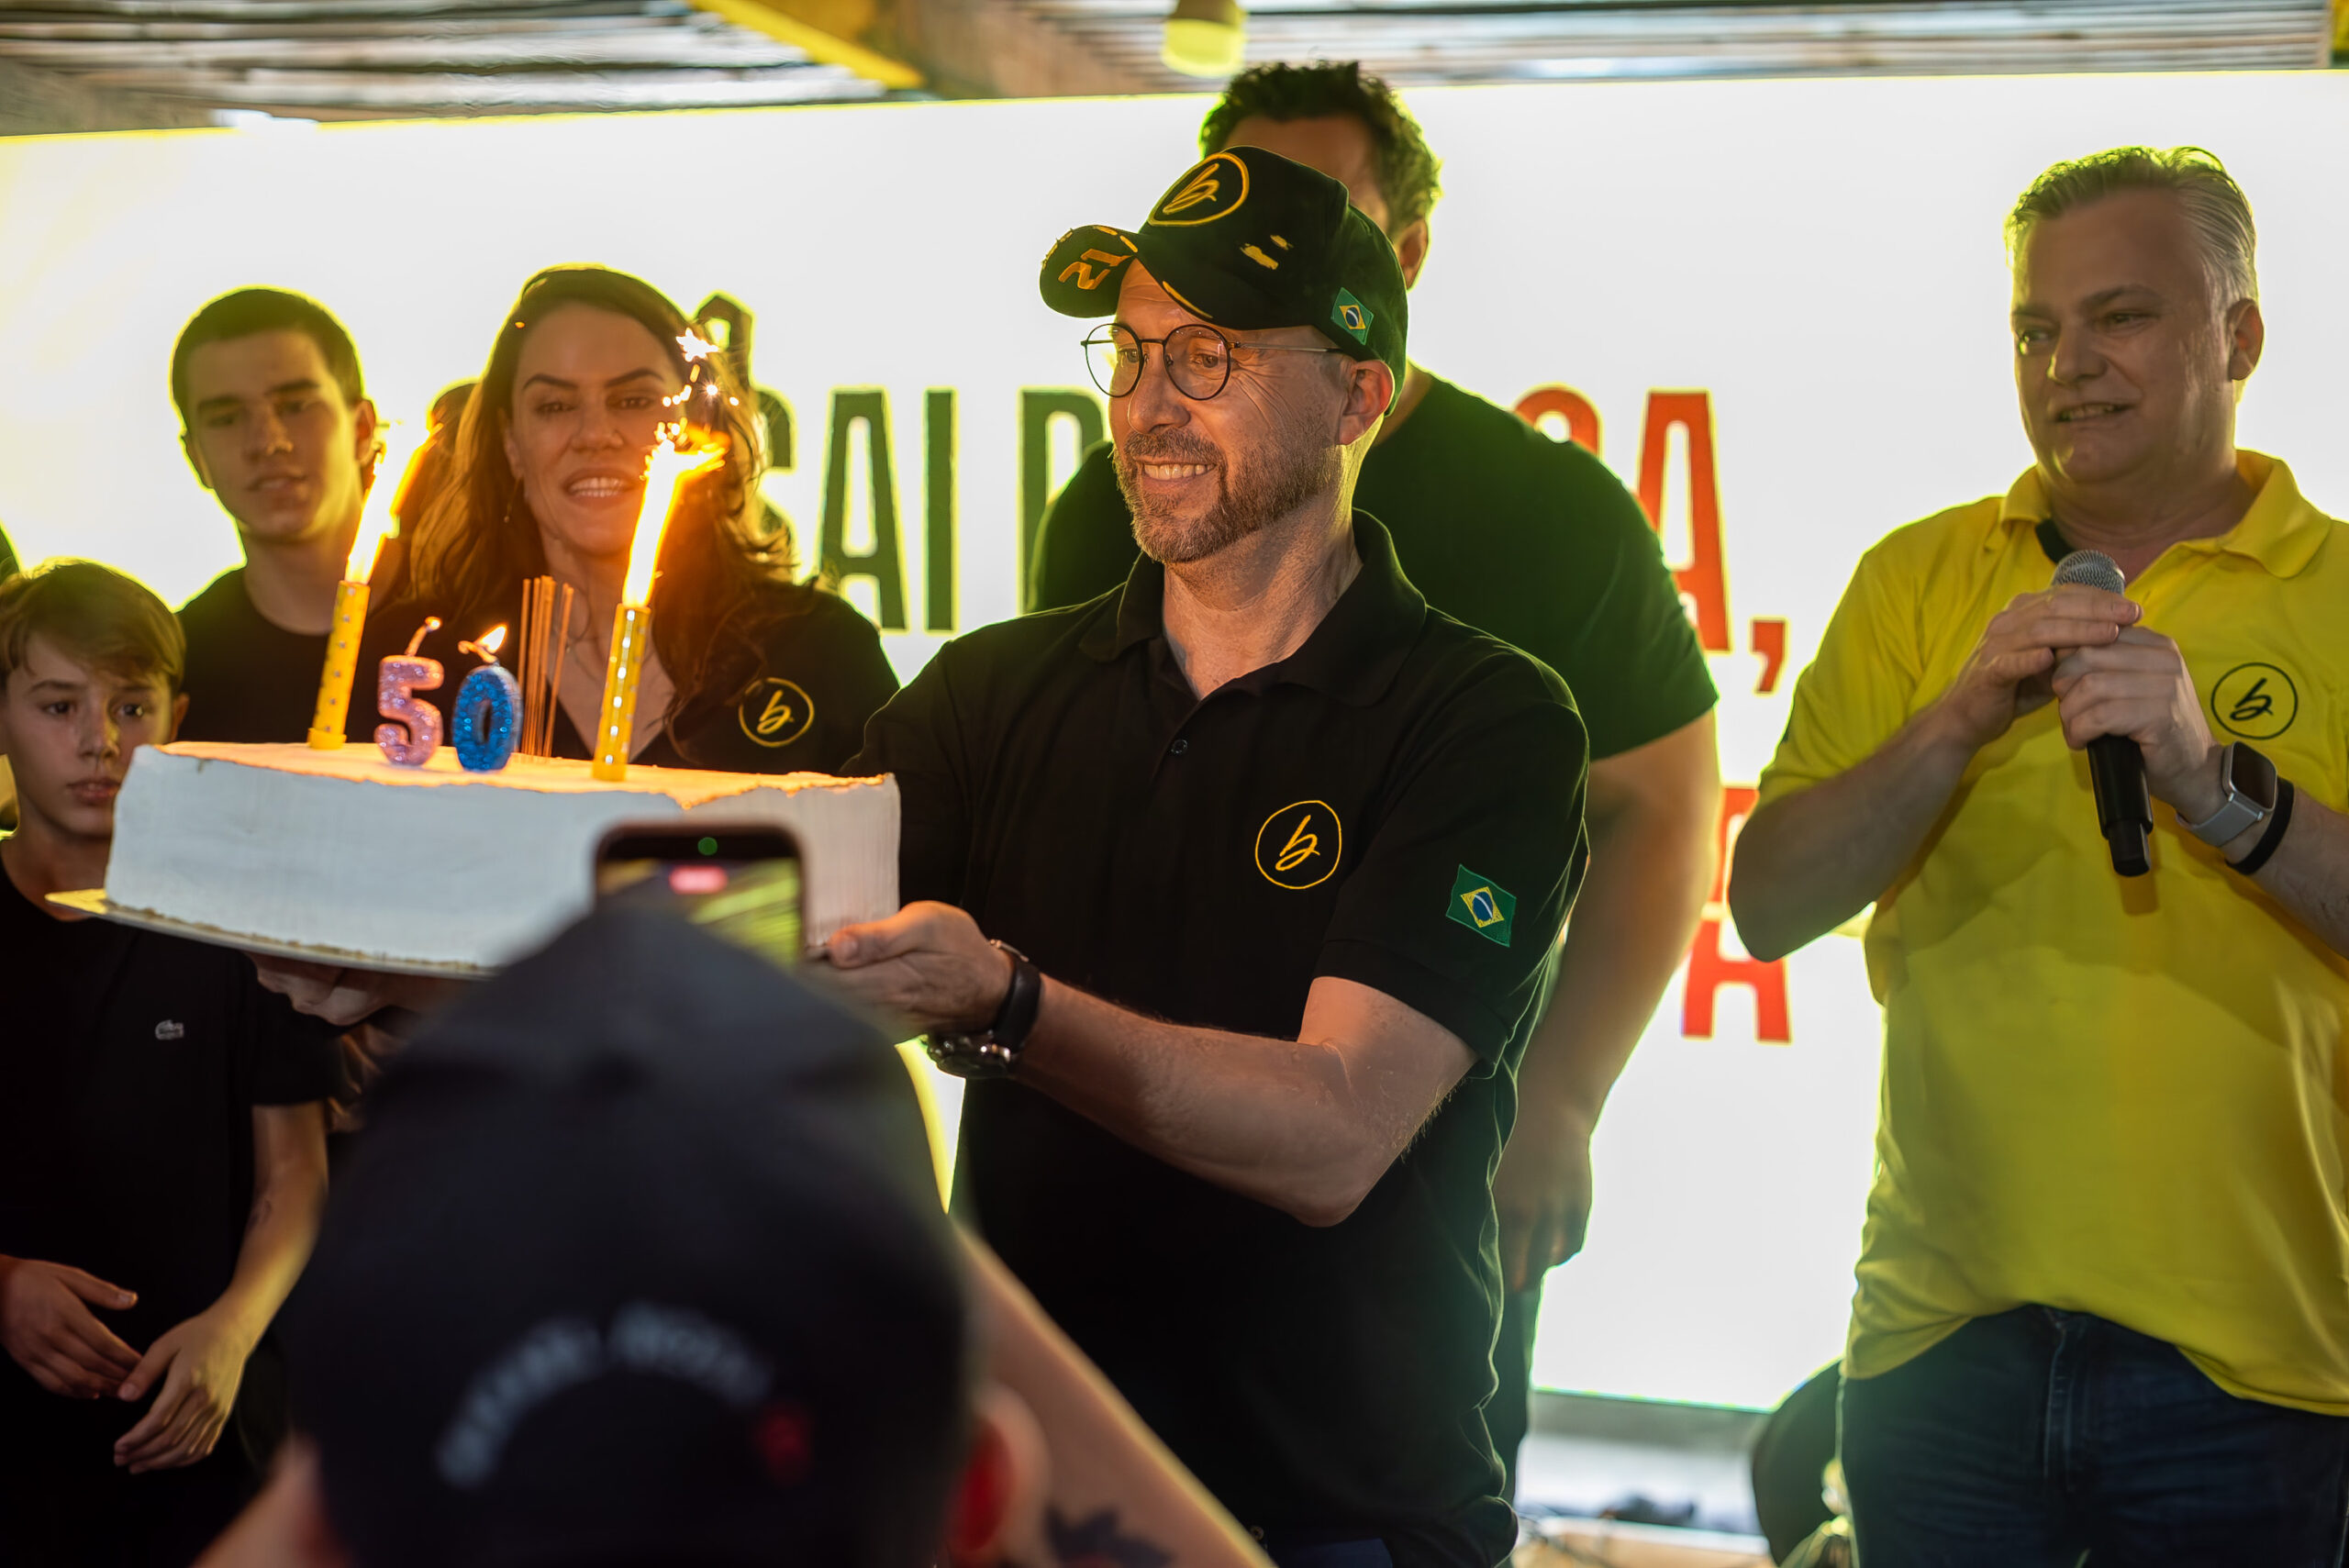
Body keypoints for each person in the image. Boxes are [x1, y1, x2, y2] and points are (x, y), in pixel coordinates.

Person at [825, 147, 1588, 1568]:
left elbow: (1336, 1134)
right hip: (1031, 1500)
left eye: (1207, 356)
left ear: (1359, 394)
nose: (1147, 405)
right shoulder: (994, 692)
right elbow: (768, 923)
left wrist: (1010, 1003)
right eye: (1127, 355)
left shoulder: (1483, 723)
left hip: (1334, 1521)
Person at [1025, 61, 1720, 1481]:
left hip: (1427, 1170)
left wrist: (1564, 1098)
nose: (1261, 244)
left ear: (1403, 252)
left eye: (1317, 207)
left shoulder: (1550, 511)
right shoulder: (1111, 500)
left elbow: (1662, 810)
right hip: (1128, 1160)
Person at [1729, 146, 2349, 1565]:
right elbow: (1766, 905)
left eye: (2120, 316)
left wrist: (2218, 790)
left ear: (2241, 336)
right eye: (2035, 327)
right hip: (1940, 1344)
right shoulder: (1917, 579)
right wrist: (1954, 723)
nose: (2068, 365)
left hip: (2256, 1365)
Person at [195, 906, 1274, 1568]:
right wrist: (862, 1210)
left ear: (323, 1518)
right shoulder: (984, 1467)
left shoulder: (335, 1510)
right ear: (982, 1485)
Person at [0, 560, 343, 1565]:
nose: (98, 742)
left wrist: (233, 1329)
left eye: (131, 706)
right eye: (58, 705)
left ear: (177, 719)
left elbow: (295, 1171)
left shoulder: (235, 915)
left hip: (203, 1434)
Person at [359, 265, 895, 775]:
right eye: (554, 406)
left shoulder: (821, 652)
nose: (595, 435)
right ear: (511, 443)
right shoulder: (413, 661)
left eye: (634, 399)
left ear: (696, 426)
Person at [173, 289, 387, 743]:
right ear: (196, 459)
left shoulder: (474, 620)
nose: (268, 442)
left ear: (362, 430)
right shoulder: (174, 666)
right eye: (227, 418)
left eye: (295, 407)